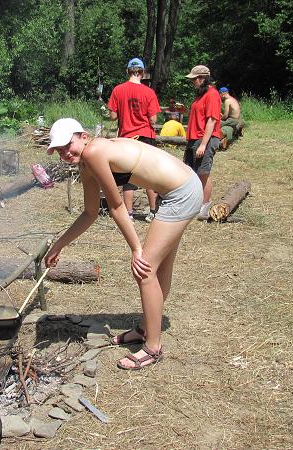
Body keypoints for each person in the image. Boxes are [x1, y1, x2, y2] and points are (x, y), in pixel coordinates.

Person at [44, 118, 202, 370]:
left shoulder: (95, 151)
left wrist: (136, 249)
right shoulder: (87, 162)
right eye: (59, 150)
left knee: (144, 269)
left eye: (68, 145)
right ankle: (146, 328)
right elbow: (90, 212)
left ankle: (152, 347)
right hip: (181, 188)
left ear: (84, 136)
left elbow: (117, 206)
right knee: (158, 268)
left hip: (182, 193)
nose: (65, 153)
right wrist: (59, 245)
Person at [108, 57, 161, 223]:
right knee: (150, 176)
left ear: (127, 72)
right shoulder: (149, 92)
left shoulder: (118, 90)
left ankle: (128, 214)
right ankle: (153, 212)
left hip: (126, 139)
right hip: (145, 137)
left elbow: (113, 116)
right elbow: (153, 120)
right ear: (142, 73)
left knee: (127, 177)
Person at [184, 65, 221, 220]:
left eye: (194, 79)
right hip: (194, 137)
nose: (193, 82)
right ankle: (194, 204)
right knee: (192, 173)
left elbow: (211, 120)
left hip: (204, 138)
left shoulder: (212, 94)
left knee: (203, 173)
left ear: (202, 79)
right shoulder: (200, 95)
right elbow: (198, 115)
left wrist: (204, 144)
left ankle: (204, 206)